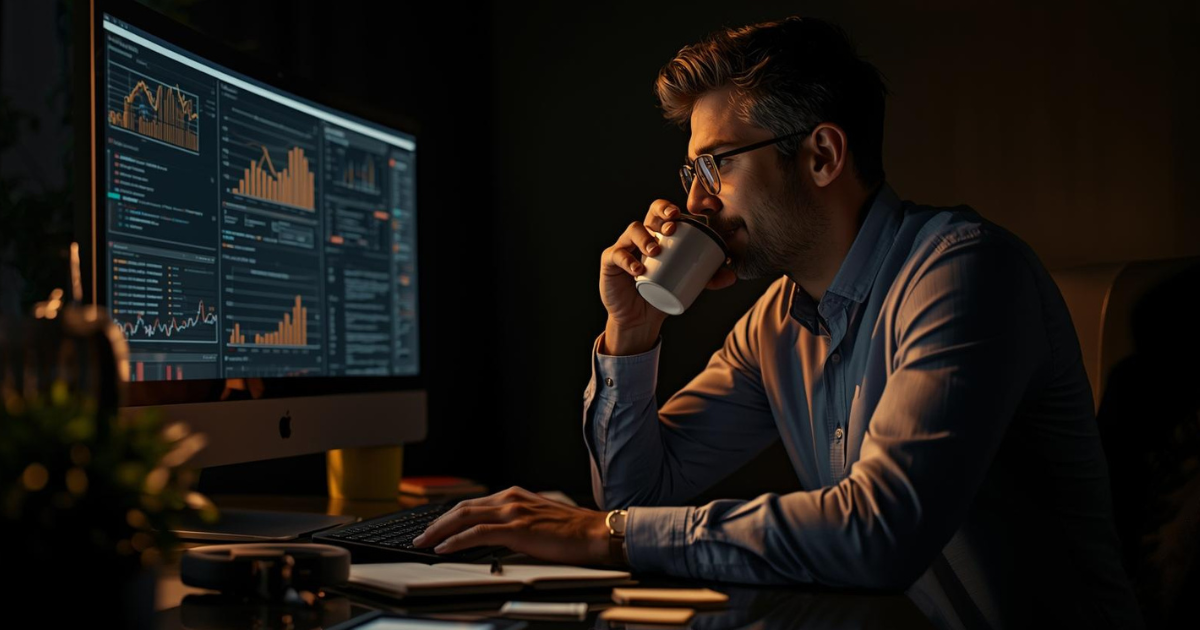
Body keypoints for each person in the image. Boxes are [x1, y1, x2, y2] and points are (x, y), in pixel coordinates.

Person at [414, 16, 1143, 628]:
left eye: (717, 166)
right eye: (691, 176)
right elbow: (637, 497)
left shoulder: (966, 274)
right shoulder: (777, 324)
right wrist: (631, 332)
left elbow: (878, 534)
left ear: (821, 154)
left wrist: (608, 537)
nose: (697, 205)